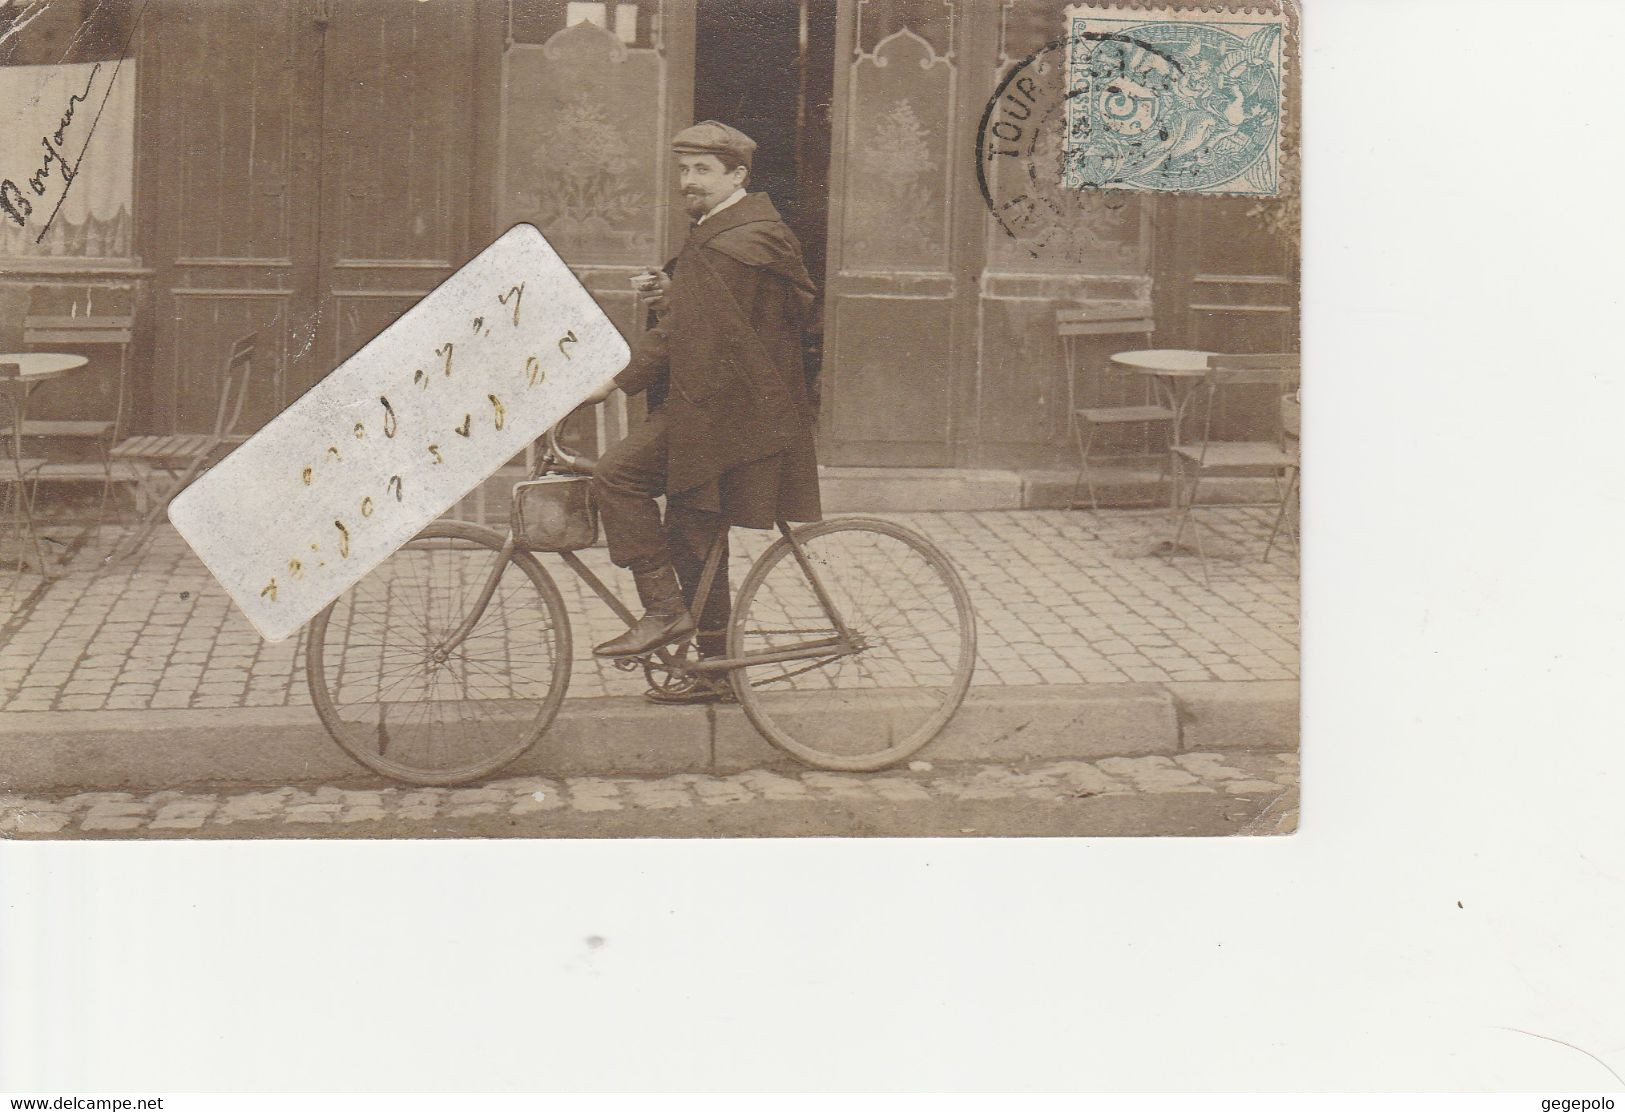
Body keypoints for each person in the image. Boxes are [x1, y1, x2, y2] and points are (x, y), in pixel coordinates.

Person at [579, 120, 821, 705]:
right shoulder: (733, 231)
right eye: (684, 170)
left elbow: (692, 327)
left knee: (617, 474)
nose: (689, 181)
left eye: (703, 171)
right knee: (693, 534)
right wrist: (670, 291)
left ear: (738, 175)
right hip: (727, 408)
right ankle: (716, 670)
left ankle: (664, 612)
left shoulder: (735, 241)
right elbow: (722, 317)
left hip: (726, 414)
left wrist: (614, 383)